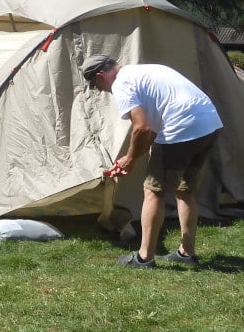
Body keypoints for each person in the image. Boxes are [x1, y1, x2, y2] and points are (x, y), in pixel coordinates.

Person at [80, 54, 223, 268]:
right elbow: (153, 125)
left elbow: (142, 128)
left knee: (153, 190)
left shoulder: (122, 84)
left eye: (97, 85)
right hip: (209, 123)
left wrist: (129, 160)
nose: (100, 90)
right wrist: (133, 156)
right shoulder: (144, 71)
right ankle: (187, 253)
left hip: (182, 127)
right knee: (185, 190)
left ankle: (144, 258)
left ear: (101, 75)